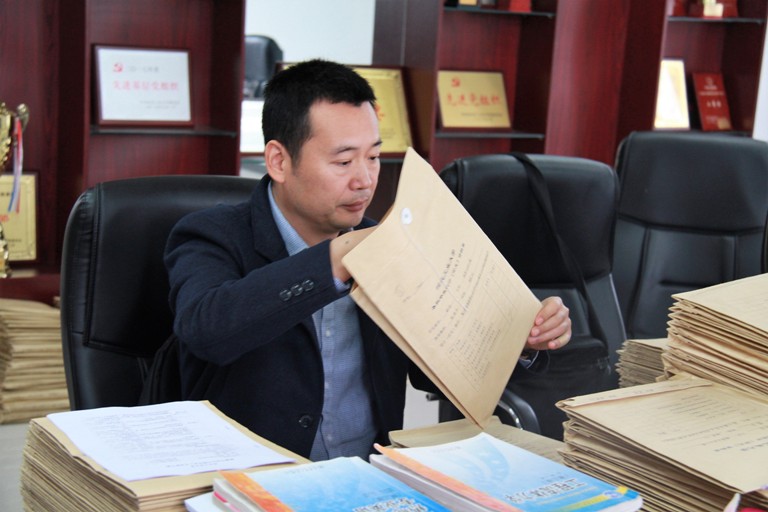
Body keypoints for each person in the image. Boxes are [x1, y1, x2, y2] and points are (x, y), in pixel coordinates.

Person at [164, 59, 572, 461]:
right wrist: (332, 262)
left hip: (371, 475)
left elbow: (436, 369)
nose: (364, 180)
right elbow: (207, 330)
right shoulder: (211, 235)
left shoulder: (392, 242)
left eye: (373, 157)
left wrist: (517, 339)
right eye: (343, 162)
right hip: (252, 480)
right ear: (279, 161)